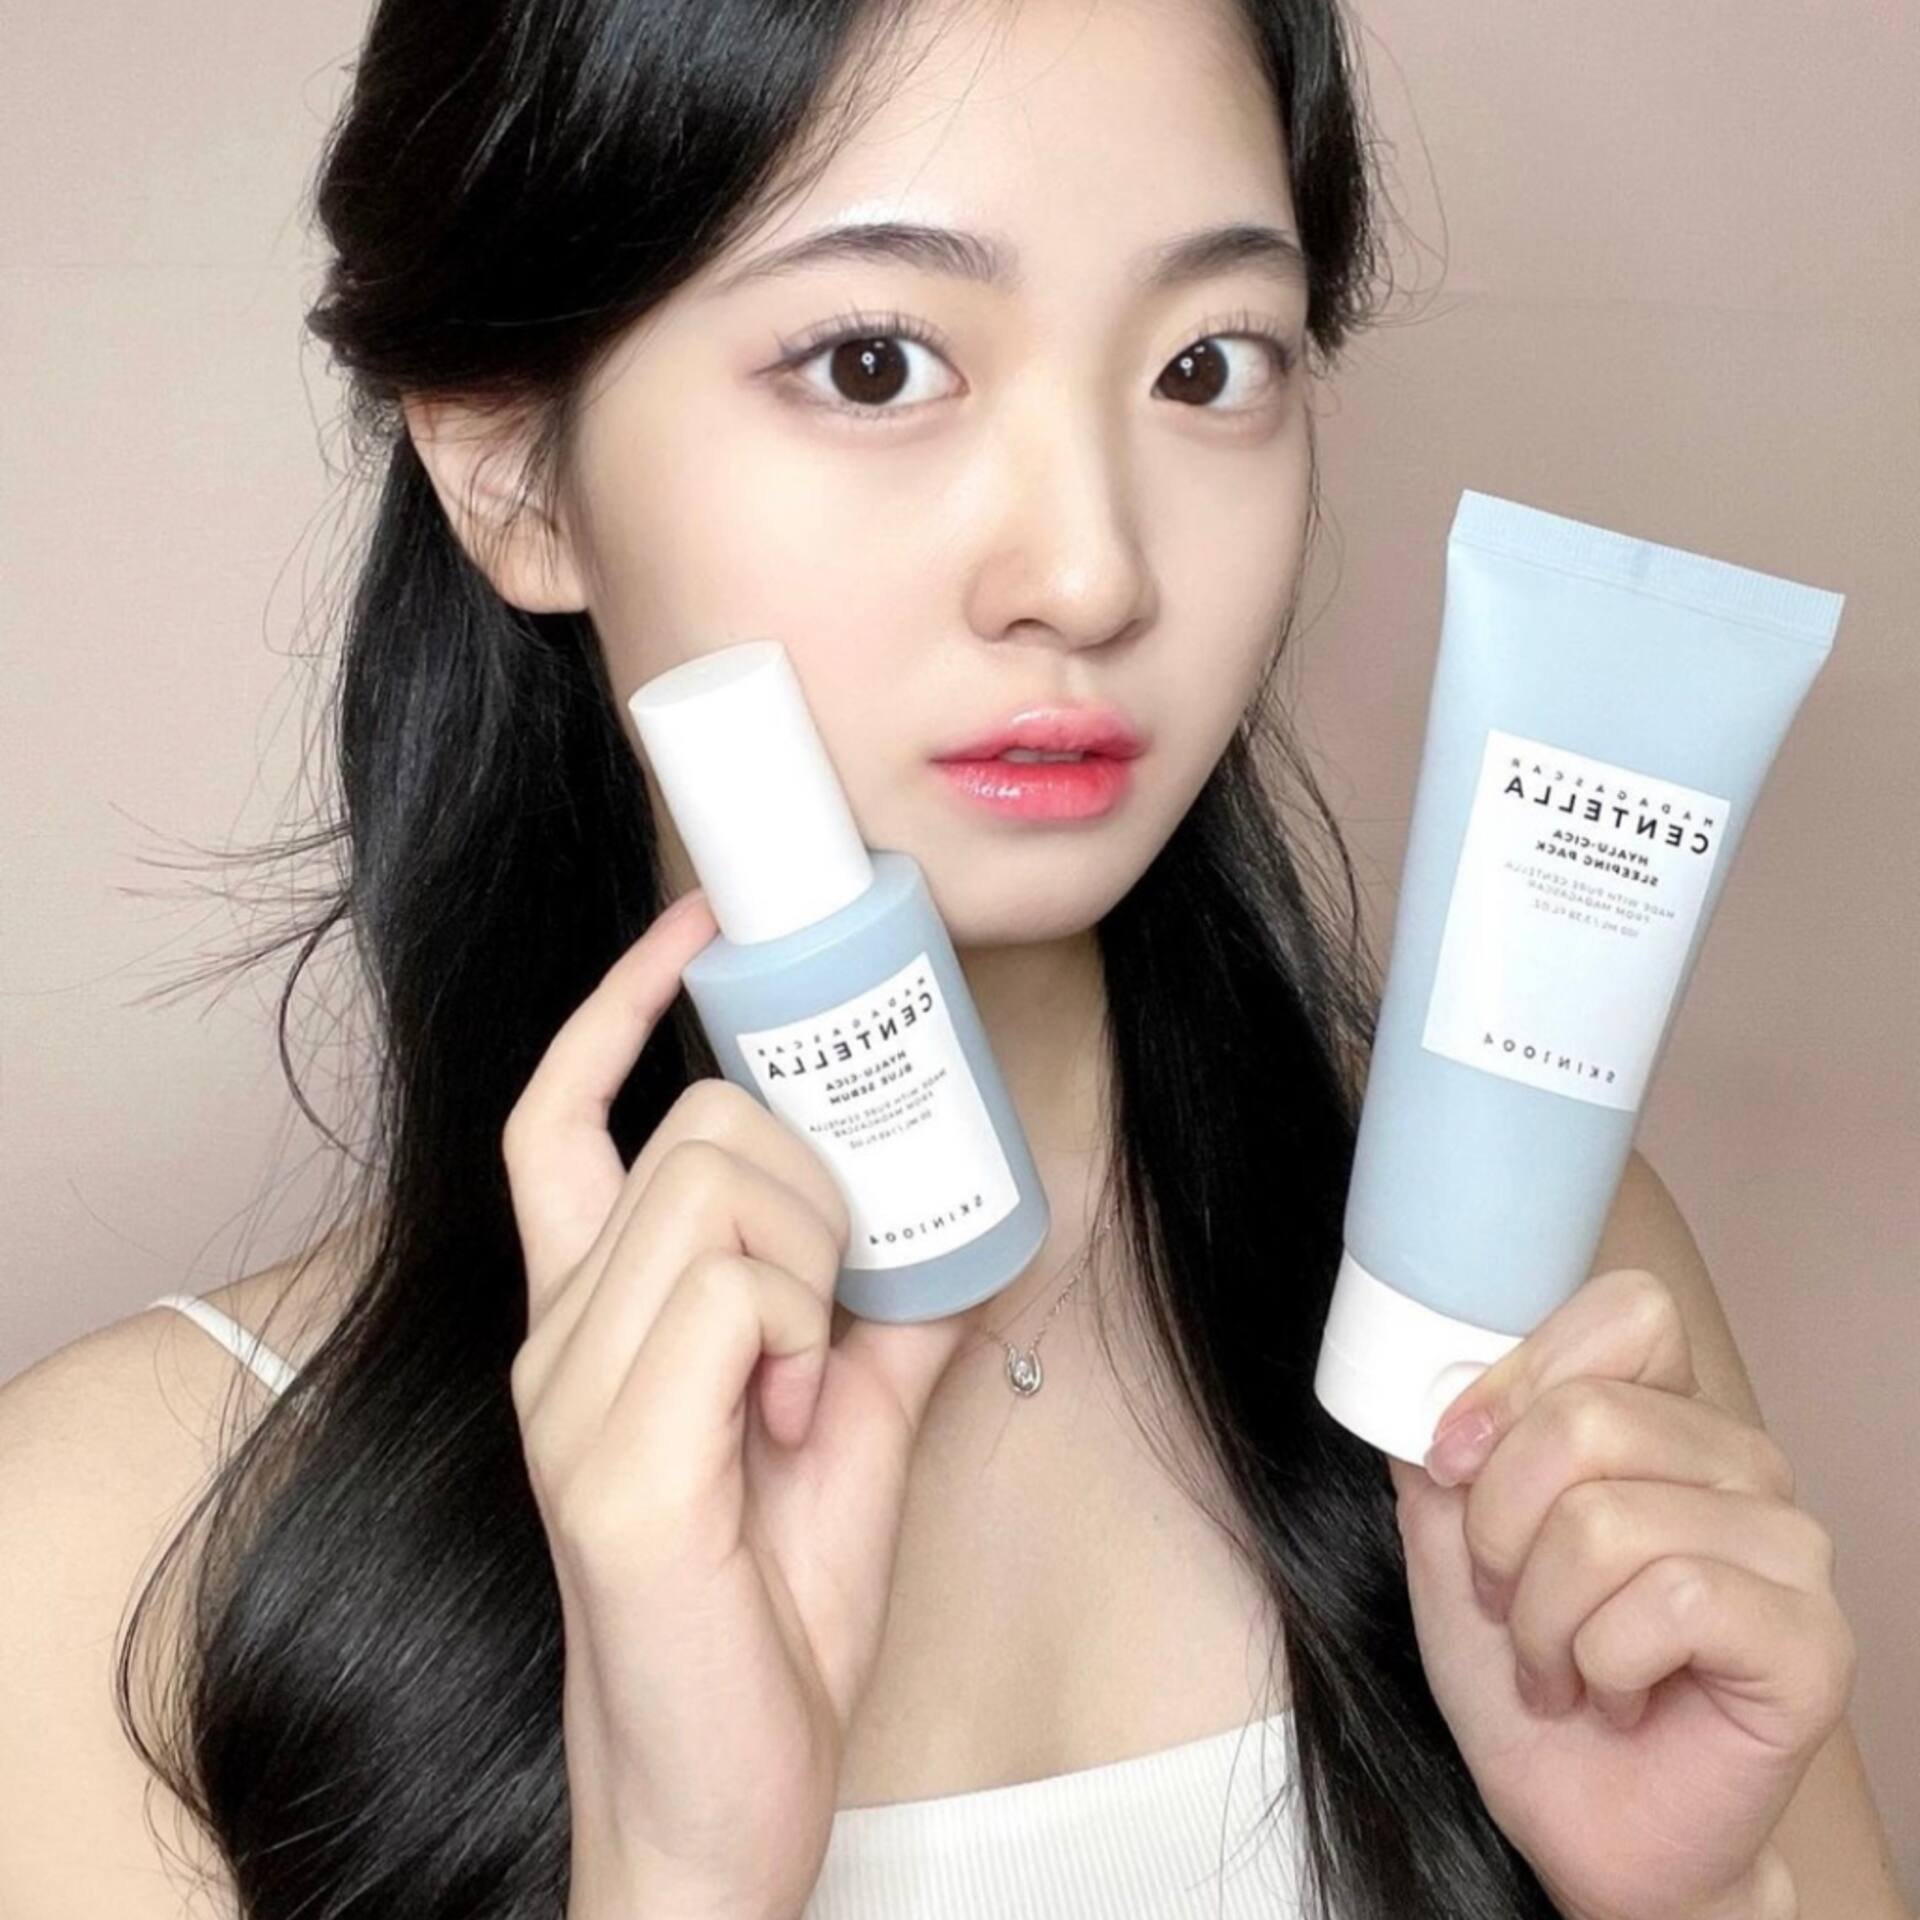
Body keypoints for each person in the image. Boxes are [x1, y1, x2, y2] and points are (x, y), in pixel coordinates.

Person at [8, 2, 1899, 1917]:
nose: (1091, 572)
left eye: (1208, 362)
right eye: (875, 362)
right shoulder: (108, 1550)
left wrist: (1690, 1903)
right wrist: (678, 1871)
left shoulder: (1529, 1324)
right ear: (510, 467)